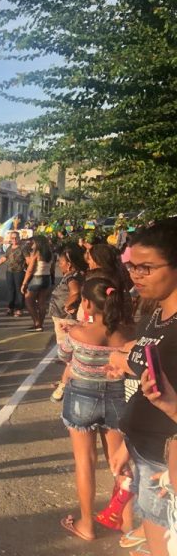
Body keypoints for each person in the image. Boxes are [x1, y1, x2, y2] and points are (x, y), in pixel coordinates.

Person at [107, 219, 177, 556]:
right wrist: (127, 443)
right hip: (145, 452)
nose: (136, 275)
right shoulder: (155, 317)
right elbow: (147, 388)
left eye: (146, 267)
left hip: (166, 468)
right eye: (132, 266)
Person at [58, 277, 134, 542]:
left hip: (81, 397)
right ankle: (128, 526)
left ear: (87, 304)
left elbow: (63, 355)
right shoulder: (127, 333)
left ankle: (87, 525)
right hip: (117, 397)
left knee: (85, 461)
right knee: (119, 463)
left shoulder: (77, 333)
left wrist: (72, 329)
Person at [48, 244, 87, 402]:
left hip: (65, 319)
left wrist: (67, 305)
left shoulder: (72, 277)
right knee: (68, 354)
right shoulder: (74, 274)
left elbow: (75, 292)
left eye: (61, 261)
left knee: (68, 354)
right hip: (63, 318)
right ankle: (65, 379)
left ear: (69, 264)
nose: (59, 264)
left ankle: (66, 383)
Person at [21, 235, 54, 332]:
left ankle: (37, 323)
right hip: (47, 278)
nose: (32, 244)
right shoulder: (50, 253)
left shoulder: (36, 253)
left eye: (34, 242)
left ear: (38, 243)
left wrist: (24, 283)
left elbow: (30, 269)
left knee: (28, 301)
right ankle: (40, 324)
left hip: (37, 277)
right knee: (42, 303)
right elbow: (52, 269)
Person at [0, 231, 27, 316]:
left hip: (19, 272)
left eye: (16, 237)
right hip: (10, 271)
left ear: (19, 238)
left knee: (19, 290)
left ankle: (19, 309)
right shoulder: (10, 248)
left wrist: (30, 271)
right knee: (11, 290)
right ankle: (11, 307)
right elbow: (4, 258)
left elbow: (28, 260)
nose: (14, 239)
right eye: (12, 238)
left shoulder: (23, 248)